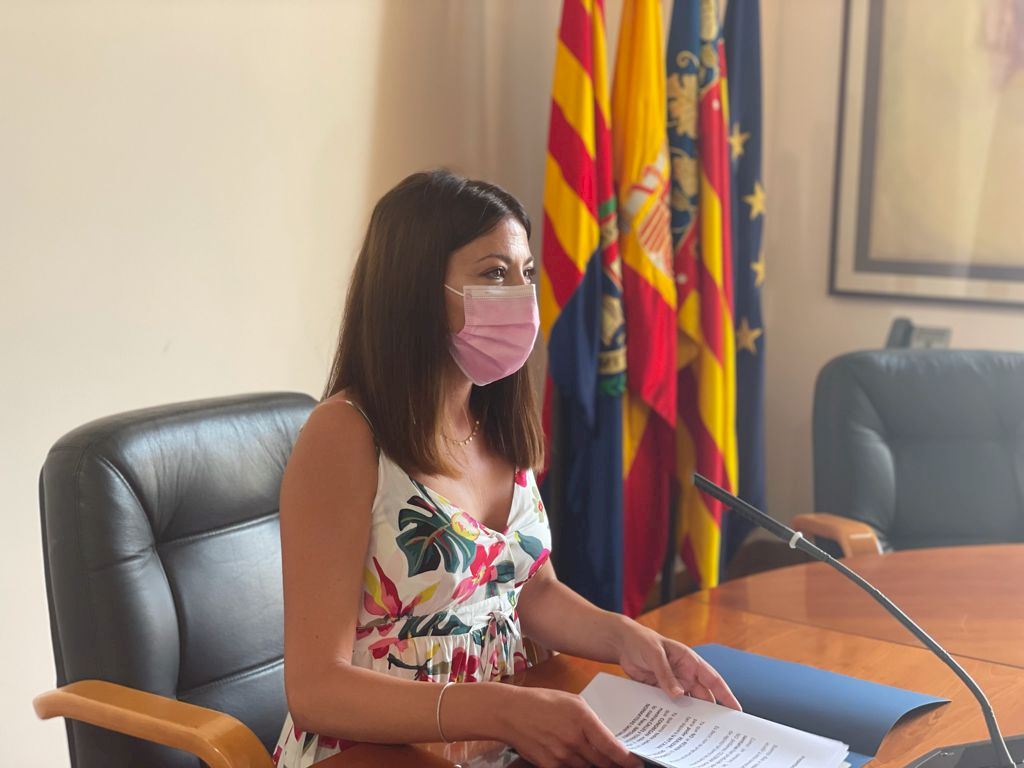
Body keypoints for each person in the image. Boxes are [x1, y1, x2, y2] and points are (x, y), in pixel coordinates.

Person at [271, 169, 741, 768]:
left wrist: (625, 636)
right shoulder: (343, 435)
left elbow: (529, 589)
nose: (521, 295)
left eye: (526, 273)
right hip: (370, 752)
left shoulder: (495, 420)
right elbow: (316, 690)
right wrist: (500, 710)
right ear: (416, 288)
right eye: (494, 273)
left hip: (502, 742)